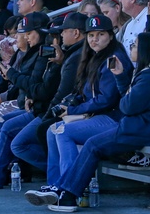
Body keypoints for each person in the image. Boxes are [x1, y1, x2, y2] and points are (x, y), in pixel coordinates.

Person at [29, 32, 150, 212]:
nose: (132, 47)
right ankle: (62, 189)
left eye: (135, 45)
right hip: (138, 127)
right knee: (83, 140)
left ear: (146, 50)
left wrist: (122, 80)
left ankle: (67, 194)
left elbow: (127, 106)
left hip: (145, 130)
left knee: (92, 144)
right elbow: (128, 102)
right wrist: (122, 78)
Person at [42, 14, 131, 193]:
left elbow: (107, 99)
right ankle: (55, 184)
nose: (94, 39)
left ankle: (67, 187)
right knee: (52, 130)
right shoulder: (94, 56)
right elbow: (86, 93)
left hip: (115, 118)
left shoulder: (114, 57)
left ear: (111, 36)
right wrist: (72, 106)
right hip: (99, 115)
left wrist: (74, 110)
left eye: (100, 35)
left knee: (63, 132)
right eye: (91, 35)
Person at [0, 12, 50, 176]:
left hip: (24, 102)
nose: (17, 38)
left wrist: (3, 96)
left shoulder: (39, 52)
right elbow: (7, 82)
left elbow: (26, 83)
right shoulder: (23, 53)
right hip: (24, 100)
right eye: (22, 33)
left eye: (23, 33)